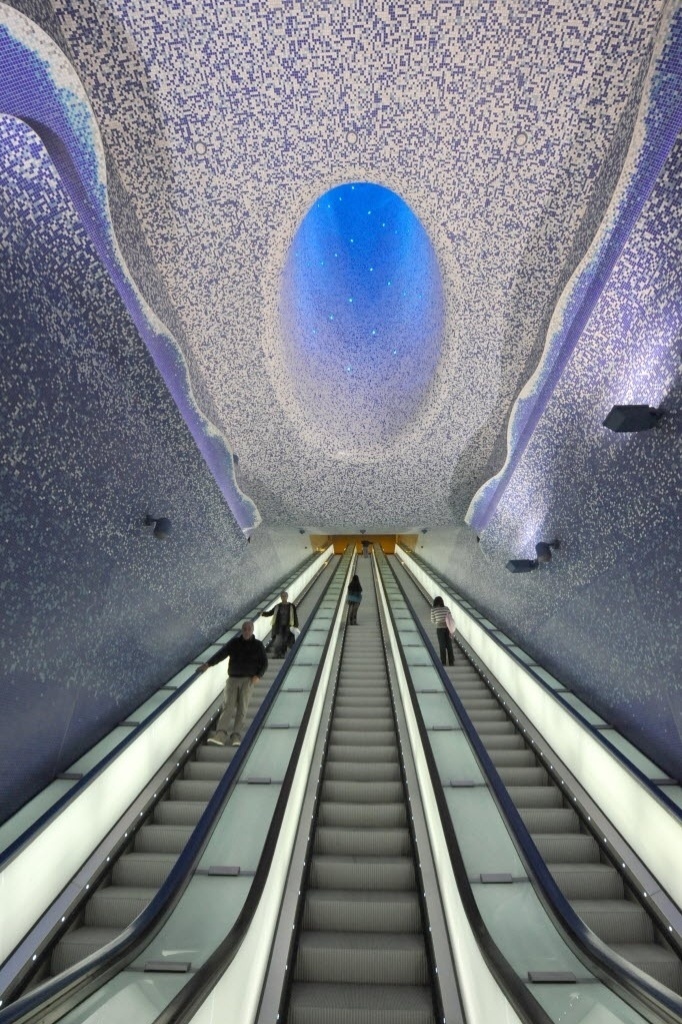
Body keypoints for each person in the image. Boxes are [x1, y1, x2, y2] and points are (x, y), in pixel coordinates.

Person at [199, 620, 268, 746]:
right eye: (245, 629)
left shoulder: (258, 645)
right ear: (242, 630)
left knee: (242, 708)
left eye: (249, 629)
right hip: (233, 679)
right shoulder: (234, 643)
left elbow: (264, 663)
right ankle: (220, 734)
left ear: (252, 630)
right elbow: (221, 654)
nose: (247, 631)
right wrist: (208, 664)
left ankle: (236, 736)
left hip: (247, 680)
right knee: (228, 706)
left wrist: (258, 676)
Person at [262, 590, 299, 657]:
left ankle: (283, 653)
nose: (283, 597)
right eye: (282, 596)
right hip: (279, 626)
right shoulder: (277, 606)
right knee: (279, 639)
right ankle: (279, 654)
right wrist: (262, 613)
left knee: (286, 639)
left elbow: (295, 615)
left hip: (288, 626)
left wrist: (296, 625)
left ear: (287, 597)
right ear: (281, 597)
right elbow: (270, 613)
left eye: (285, 596)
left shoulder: (291, 606)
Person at [431, 596, 455, 666]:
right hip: (448, 628)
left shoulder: (433, 610)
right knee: (449, 645)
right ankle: (451, 661)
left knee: (442, 645)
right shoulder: (446, 608)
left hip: (440, 629)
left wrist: (438, 621)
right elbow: (450, 617)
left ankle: (443, 662)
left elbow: (433, 620)